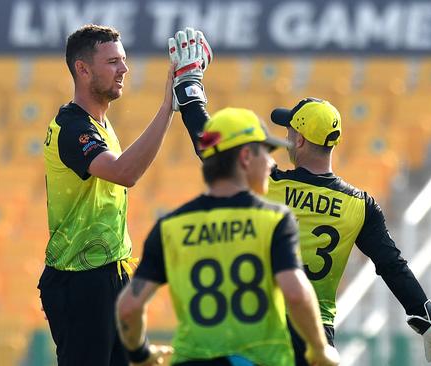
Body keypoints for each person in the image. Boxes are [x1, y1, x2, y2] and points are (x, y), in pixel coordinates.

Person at [172, 30, 431, 366]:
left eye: (289, 132)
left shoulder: (266, 182)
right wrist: (430, 319)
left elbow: (211, 145)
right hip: (315, 336)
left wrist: (189, 88)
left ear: (299, 141)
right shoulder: (360, 205)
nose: (286, 137)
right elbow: (393, 267)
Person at [115, 107, 340, 366]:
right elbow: (296, 293)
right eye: (265, 152)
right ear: (245, 157)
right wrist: (319, 349)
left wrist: (141, 355)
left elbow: (129, 307)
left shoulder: (170, 226)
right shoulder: (274, 221)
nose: (270, 163)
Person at [38, 24, 175, 366]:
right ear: (82, 69)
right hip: (80, 281)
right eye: (113, 61)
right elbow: (124, 173)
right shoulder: (71, 127)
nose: (124, 70)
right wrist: (166, 109)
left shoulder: (99, 123)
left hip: (108, 275)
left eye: (123, 60)